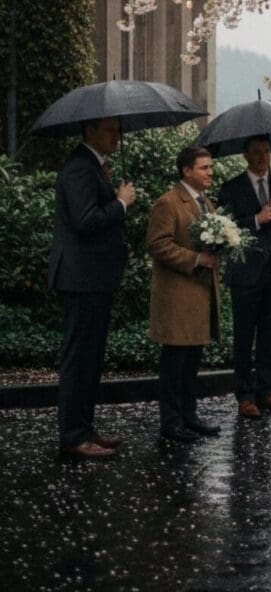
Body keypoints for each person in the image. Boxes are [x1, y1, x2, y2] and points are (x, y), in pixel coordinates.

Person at [48, 117, 135, 458]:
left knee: (91, 358)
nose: (118, 136)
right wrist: (122, 203)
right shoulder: (80, 168)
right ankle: (73, 436)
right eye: (111, 130)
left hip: (94, 279)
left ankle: (85, 428)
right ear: (90, 131)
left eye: (119, 130)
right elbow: (85, 221)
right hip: (80, 279)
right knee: (78, 358)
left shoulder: (95, 167)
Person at [217, 135, 271, 418]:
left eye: (267, 151)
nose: (263, 157)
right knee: (244, 336)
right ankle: (245, 396)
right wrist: (256, 220)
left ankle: (266, 392)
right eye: (257, 152)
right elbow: (222, 230)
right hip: (245, 274)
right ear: (246, 156)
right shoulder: (231, 188)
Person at [147, 145, 222, 442]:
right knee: (175, 362)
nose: (210, 173)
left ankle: (189, 416)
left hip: (201, 294)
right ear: (186, 170)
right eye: (204, 168)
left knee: (192, 361)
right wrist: (196, 259)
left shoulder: (208, 203)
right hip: (177, 296)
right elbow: (157, 244)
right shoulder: (168, 203)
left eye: (211, 167)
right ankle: (171, 421)